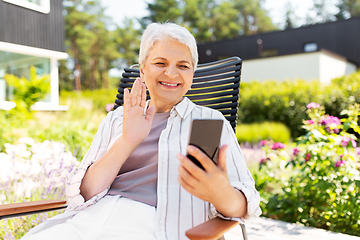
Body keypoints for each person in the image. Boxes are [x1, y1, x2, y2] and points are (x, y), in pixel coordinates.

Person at [22, 22, 261, 240]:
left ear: (192, 74)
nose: (171, 73)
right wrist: (127, 140)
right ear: (143, 69)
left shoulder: (209, 121)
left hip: (157, 227)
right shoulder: (117, 119)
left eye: (183, 66)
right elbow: (84, 193)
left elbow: (246, 205)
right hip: (88, 221)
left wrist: (221, 193)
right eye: (160, 63)